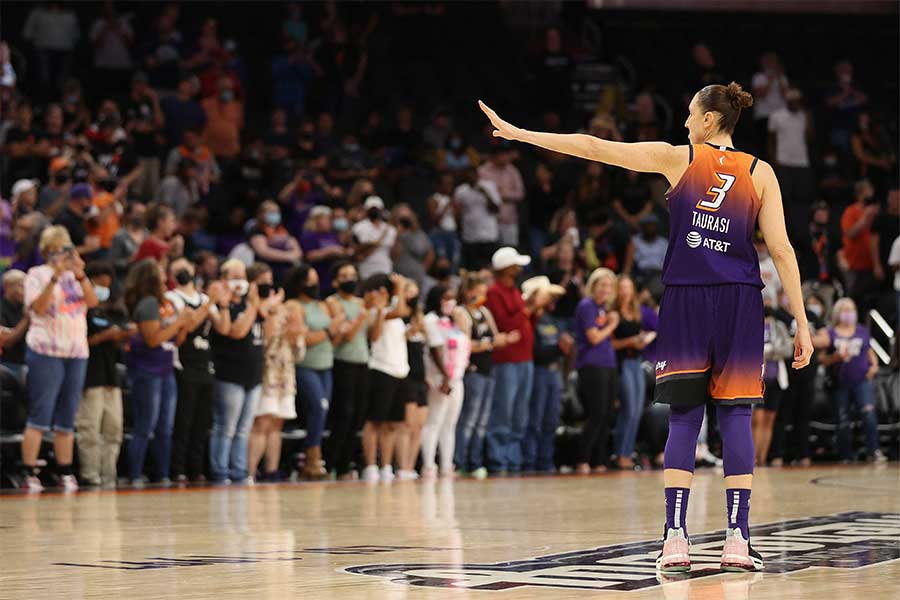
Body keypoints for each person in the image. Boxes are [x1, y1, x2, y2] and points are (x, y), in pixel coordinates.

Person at [480, 79, 813, 573]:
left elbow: (594, 148)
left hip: (686, 299)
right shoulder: (761, 172)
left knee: (684, 417)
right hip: (741, 300)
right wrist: (802, 322)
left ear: (707, 120)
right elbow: (782, 250)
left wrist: (522, 133)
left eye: (689, 114)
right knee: (736, 417)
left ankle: (675, 538)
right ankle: (737, 540)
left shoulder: (678, 158)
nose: (683, 122)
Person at [21, 226, 99, 492]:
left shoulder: (75, 277)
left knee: (67, 416)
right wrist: (54, 278)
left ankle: (65, 470)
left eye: (64, 250)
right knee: (40, 414)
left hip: (76, 351)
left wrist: (81, 275)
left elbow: (92, 302)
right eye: (55, 251)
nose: (60, 256)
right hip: (45, 350)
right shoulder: (36, 275)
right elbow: (38, 309)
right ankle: (29, 471)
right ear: (46, 252)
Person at [208, 259, 278, 484]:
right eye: (233, 276)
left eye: (242, 276)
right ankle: (220, 471)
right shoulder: (222, 306)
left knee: (243, 429)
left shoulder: (253, 305)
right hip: (230, 374)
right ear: (223, 280)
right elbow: (235, 332)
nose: (239, 281)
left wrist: (267, 309)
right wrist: (253, 307)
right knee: (226, 426)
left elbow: (267, 337)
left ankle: (239, 471)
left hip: (253, 374)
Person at [124, 259, 191, 486]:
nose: (165, 277)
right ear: (151, 277)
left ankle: (163, 474)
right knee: (146, 426)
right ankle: (134, 475)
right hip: (147, 371)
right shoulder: (148, 304)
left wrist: (184, 326)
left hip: (166, 369)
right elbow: (153, 340)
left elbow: (175, 339)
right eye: (161, 273)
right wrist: (179, 322)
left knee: (166, 427)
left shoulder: (165, 303)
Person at [166, 258, 229, 483]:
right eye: (176, 268)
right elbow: (188, 325)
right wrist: (210, 301)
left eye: (185, 266)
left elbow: (223, 327)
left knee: (202, 421)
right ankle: (178, 468)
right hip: (183, 364)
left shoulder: (203, 299)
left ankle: (197, 467)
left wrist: (222, 304)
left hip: (205, 363)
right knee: (184, 419)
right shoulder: (171, 298)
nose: (182, 271)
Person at [484, 247, 542, 474]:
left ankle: (514, 459)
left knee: (519, 411)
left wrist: (533, 313)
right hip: (506, 359)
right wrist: (527, 310)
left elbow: (524, 325)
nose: (519, 268)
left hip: (525, 358)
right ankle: (498, 460)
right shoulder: (494, 293)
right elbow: (502, 323)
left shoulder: (515, 291)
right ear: (506, 268)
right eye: (516, 264)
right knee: (503, 409)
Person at [75, 261, 131, 488]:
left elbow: (116, 339)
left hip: (111, 376)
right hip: (90, 374)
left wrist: (121, 337)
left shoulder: (112, 311)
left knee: (114, 428)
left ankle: (109, 474)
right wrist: (103, 337)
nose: (104, 288)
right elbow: (79, 343)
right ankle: (90, 474)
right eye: (99, 283)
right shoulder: (81, 310)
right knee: (89, 428)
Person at [454, 272, 515, 479]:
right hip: (473, 370)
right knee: (469, 418)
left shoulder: (485, 312)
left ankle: (476, 461)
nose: (481, 296)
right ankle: (460, 461)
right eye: (477, 292)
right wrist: (488, 343)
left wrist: (505, 339)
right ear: (468, 292)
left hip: (489, 368)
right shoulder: (460, 312)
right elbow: (465, 343)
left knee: (482, 420)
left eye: (483, 292)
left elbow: (495, 336)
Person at [285, 263, 344, 479]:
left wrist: (337, 327)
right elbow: (305, 339)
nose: (314, 285)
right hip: (305, 365)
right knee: (318, 407)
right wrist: (329, 330)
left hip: (326, 365)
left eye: (316, 281)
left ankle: (309, 457)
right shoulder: (294, 305)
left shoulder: (323, 306)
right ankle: (312, 458)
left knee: (321, 411)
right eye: (309, 281)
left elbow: (335, 339)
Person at [814, 298, 885, 463]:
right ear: (838, 313)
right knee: (843, 419)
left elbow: (869, 351)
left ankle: (873, 450)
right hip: (839, 382)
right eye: (845, 310)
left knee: (868, 414)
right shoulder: (831, 333)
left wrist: (874, 366)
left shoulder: (861, 331)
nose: (849, 314)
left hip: (862, 380)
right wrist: (835, 357)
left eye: (851, 310)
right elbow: (822, 359)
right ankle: (845, 455)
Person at [248, 266, 302, 482]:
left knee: (277, 424)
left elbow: (297, 350)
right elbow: (264, 343)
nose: (268, 286)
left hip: (284, 374)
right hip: (264, 372)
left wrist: (295, 334)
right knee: (261, 423)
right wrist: (269, 314)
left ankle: (271, 471)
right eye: (262, 281)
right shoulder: (253, 308)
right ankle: (250, 472)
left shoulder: (283, 310)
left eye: (270, 280)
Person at [359, 273, 410, 482]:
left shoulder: (393, 312)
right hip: (381, 370)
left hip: (400, 370)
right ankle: (370, 465)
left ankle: (386, 465)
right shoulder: (372, 312)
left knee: (392, 423)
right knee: (374, 421)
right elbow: (375, 335)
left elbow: (402, 311)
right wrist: (401, 288)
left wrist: (398, 290)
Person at [419, 284, 471, 479]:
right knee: (434, 421)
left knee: (450, 423)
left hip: (456, 377)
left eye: (452, 298)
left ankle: (447, 464)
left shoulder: (452, 322)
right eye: (446, 298)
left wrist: (462, 321)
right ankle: (428, 464)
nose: (450, 302)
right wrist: (445, 377)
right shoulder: (430, 320)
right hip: (439, 378)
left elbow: (464, 343)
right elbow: (435, 350)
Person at [324, 262, 370, 480]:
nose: (349, 279)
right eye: (344, 275)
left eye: (352, 274)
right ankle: (330, 462)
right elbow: (348, 335)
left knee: (357, 416)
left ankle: (345, 464)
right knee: (344, 414)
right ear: (335, 280)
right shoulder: (333, 302)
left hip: (362, 361)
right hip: (343, 362)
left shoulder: (362, 303)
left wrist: (375, 311)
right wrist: (363, 314)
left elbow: (374, 335)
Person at [573, 268, 620, 475]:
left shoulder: (602, 309)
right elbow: (593, 337)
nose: (605, 289)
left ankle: (599, 460)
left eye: (609, 286)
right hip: (592, 365)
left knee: (608, 414)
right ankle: (582, 458)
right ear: (593, 286)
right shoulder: (587, 306)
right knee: (596, 413)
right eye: (602, 285)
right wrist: (612, 325)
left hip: (608, 365)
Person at [522, 276, 570, 474]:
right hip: (539, 371)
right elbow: (534, 352)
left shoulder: (552, 320)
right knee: (535, 419)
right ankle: (530, 461)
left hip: (554, 372)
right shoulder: (530, 320)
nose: (551, 300)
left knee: (551, 420)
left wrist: (563, 350)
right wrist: (559, 349)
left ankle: (546, 461)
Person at [610, 274, 657, 470]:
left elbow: (656, 326)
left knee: (637, 410)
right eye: (622, 287)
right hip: (622, 362)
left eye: (629, 287)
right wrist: (630, 342)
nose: (625, 291)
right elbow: (611, 343)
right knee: (628, 410)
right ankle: (620, 453)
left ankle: (627, 453)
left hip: (637, 361)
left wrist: (644, 338)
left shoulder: (637, 312)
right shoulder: (613, 313)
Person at [752, 298, 792, 467]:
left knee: (769, 419)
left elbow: (787, 349)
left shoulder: (779, 326)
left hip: (776, 378)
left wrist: (768, 351)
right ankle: (751, 458)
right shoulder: (751, 324)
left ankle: (762, 458)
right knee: (757, 419)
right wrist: (770, 351)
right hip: (757, 378)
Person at [396, 282, 427, 480]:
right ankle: (402, 466)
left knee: (418, 426)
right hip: (405, 376)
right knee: (406, 425)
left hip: (420, 376)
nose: (412, 296)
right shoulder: (399, 318)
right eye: (409, 292)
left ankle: (410, 466)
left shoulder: (420, 320)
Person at [840, 180, 879, 313]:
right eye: (868, 190)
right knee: (852, 299)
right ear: (859, 194)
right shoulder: (850, 211)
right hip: (853, 264)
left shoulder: (876, 211)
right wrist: (866, 217)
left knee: (868, 303)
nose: (871, 194)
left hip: (870, 264)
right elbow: (850, 233)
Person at [352, 196, 396, 279]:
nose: (375, 212)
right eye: (372, 209)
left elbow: (394, 252)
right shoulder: (358, 227)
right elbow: (356, 249)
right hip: (366, 268)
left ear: (382, 210)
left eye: (377, 209)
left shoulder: (390, 229)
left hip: (385, 268)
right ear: (366, 210)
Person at [0, 269, 28, 383]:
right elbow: (6, 341)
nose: (25, 291)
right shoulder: (1, 309)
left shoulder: (27, 307)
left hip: (29, 363)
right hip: (7, 365)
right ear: (7, 286)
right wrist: (27, 319)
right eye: (21, 286)